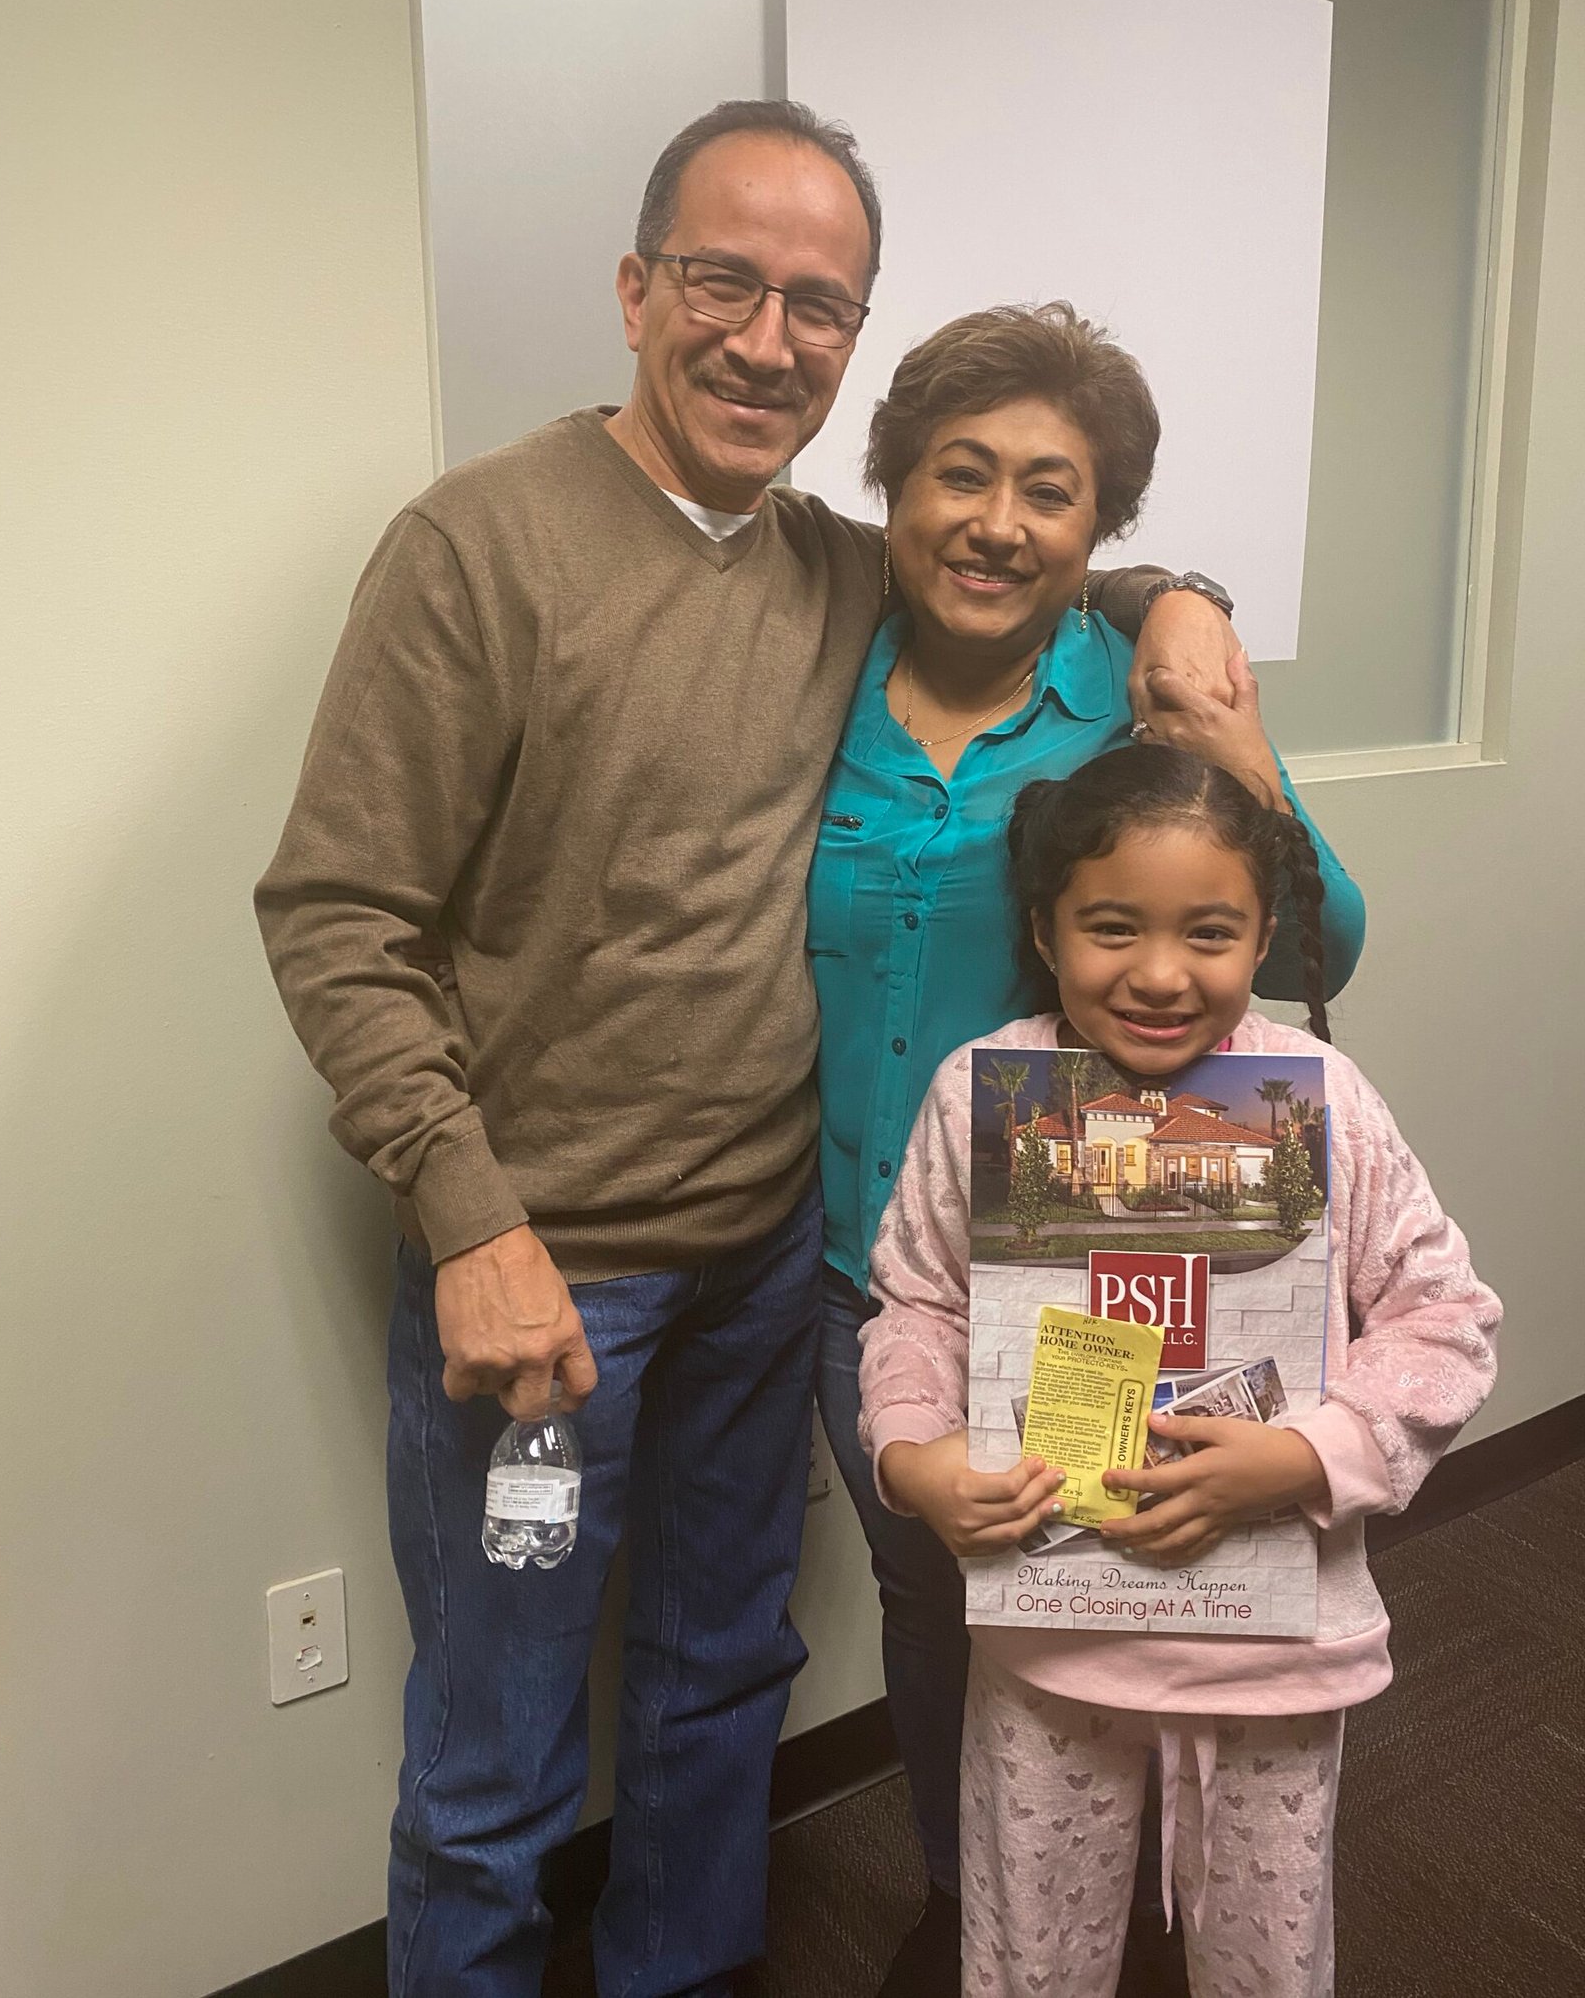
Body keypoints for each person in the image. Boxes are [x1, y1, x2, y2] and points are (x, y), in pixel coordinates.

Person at [253, 101, 1237, 1998]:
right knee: (498, 1741)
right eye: (724, 282)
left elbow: (1029, 552)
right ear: (638, 288)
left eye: (819, 304)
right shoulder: (479, 544)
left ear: (853, 337)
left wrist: (1175, 597)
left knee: (717, 1683)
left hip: (767, 1271)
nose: (767, 339)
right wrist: (471, 1219)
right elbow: (335, 913)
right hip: (544, 1272)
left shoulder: (832, 570)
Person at [809, 303, 1365, 1994]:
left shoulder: (1138, 695)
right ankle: (975, 1890)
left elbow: (1321, 940)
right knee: (938, 1595)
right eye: (959, 474)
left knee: (1130, 1570)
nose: (997, 521)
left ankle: (1149, 1909)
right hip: (863, 1252)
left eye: (1049, 491)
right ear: (896, 487)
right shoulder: (818, 668)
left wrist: (1224, 705)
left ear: (1098, 525)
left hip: (1091, 1255)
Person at [858, 742, 1500, 1998]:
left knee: (1266, 1955)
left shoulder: (1321, 1097)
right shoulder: (979, 1095)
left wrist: (1308, 1455)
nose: (1159, 974)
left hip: (1271, 1643)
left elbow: (1443, 1319)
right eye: (1111, 927)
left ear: (1262, 938)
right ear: (1043, 930)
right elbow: (919, 1301)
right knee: (1030, 1950)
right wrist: (913, 1454)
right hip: (1053, 1639)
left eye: (1208, 932)